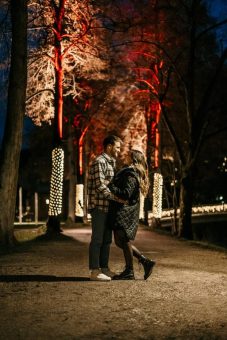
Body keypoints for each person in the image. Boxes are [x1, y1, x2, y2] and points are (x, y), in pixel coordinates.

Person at [108, 149, 156, 280]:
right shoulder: (133, 173)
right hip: (127, 211)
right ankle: (145, 262)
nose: (125, 158)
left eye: (128, 156)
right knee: (120, 241)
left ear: (133, 159)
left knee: (124, 240)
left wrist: (111, 186)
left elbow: (126, 194)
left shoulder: (130, 174)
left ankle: (130, 271)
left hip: (124, 212)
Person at [88, 135, 123, 281]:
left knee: (107, 239)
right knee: (97, 239)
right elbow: (100, 185)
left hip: (109, 207)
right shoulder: (99, 162)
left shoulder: (112, 162)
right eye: (117, 147)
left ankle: (104, 269)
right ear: (109, 146)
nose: (119, 150)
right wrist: (115, 198)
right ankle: (94, 271)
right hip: (99, 205)